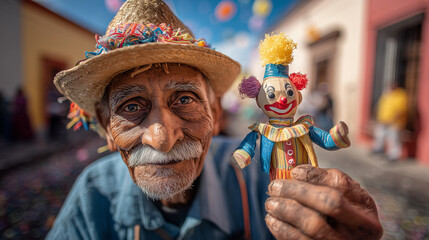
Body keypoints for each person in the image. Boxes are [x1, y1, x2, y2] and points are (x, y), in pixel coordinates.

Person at [47, 0, 383, 239]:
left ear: (216, 113)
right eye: (131, 107)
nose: (162, 138)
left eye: (184, 99)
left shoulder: (260, 179)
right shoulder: (93, 196)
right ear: (107, 129)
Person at [372, 83, 408, 161]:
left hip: (395, 123)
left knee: (394, 139)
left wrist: (392, 120)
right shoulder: (387, 95)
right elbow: (380, 106)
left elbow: (401, 110)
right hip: (383, 121)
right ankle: (379, 149)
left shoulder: (401, 95)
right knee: (380, 135)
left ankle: (394, 155)